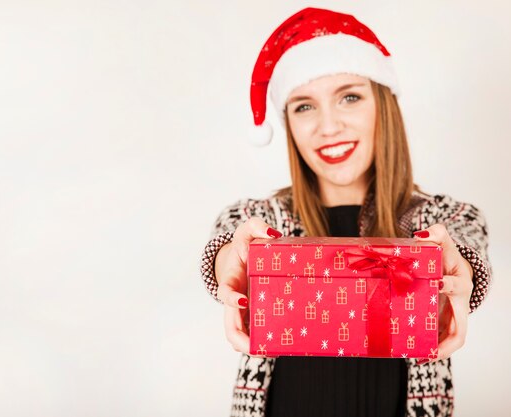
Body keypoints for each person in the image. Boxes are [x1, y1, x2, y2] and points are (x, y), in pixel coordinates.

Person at [199, 7, 491, 417]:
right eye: (304, 106)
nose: (328, 126)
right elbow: (228, 242)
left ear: (382, 106)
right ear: (288, 124)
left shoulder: (445, 218)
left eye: (349, 97)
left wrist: (457, 271)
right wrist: (230, 261)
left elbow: (466, 246)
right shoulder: (261, 220)